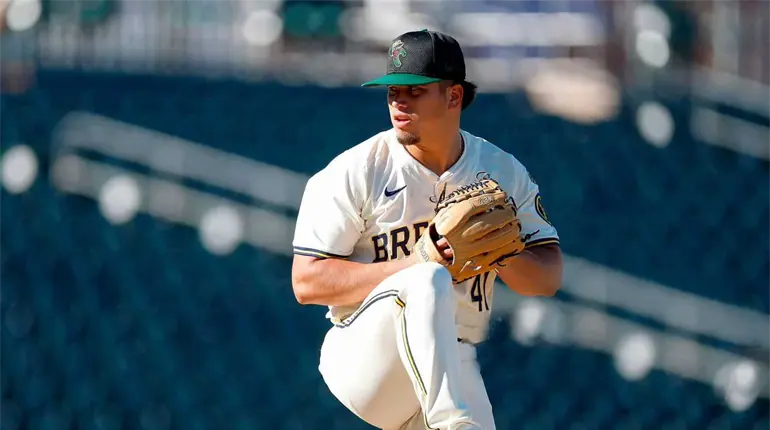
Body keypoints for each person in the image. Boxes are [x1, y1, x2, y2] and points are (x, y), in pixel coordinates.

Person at [291, 29, 563, 430]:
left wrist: (502, 254)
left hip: (452, 357)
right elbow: (307, 283)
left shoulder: (502, 171)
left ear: (454, 97)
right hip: (365, 356)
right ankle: (451, 423)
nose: (399, 101)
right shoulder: (357, 171)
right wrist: (414, 263)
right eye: (392, 91)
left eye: (414, 90)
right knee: (426, 278)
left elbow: (547, 278)